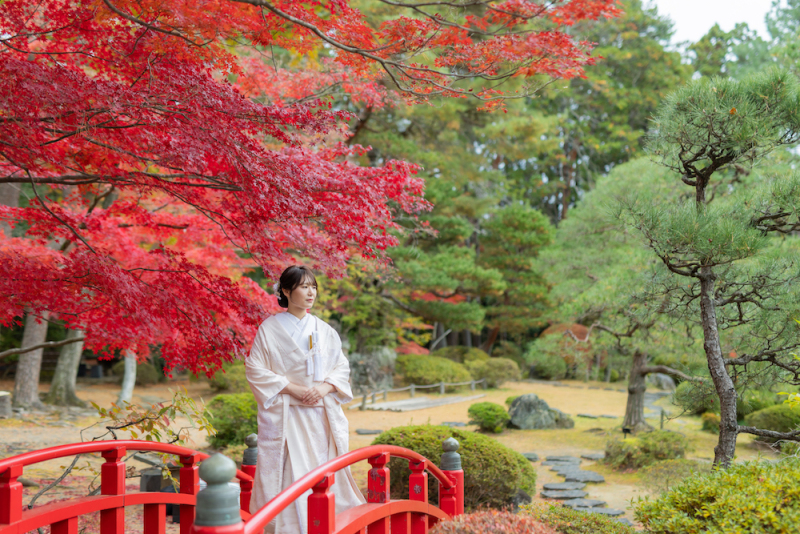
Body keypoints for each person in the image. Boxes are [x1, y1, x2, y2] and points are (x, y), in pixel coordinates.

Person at [246, 265, 365, 533]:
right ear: (286, 291)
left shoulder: (324, 330)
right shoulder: (269, 329)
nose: (311, 292)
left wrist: (325, 388)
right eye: (304, 286)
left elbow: (341, 367)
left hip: (320, 416)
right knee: (289, 473)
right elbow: (255, 369)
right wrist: (291, 388)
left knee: (321, 471)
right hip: (287, 413)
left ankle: (326, 524)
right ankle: (289, 527)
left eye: (313, 287)